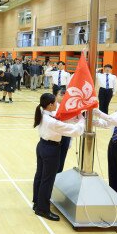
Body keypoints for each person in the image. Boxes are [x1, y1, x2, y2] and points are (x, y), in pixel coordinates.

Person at [32, 93, 85, 221]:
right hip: (51, 149)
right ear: (50, 105)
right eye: (56, 102)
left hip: (42, 146)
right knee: (47, 180)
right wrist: (81, 119)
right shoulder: (52, 121)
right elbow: (75, 131)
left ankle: (37, 203)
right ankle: (43, 209)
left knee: (40, 176)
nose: (57, 105)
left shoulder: (44, 113)